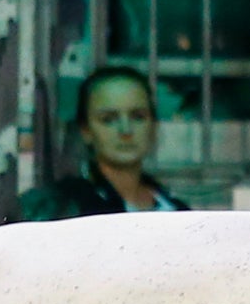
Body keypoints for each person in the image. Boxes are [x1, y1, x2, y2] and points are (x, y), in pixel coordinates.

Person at [18, 65, 187, 221]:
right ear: (86, 130)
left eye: (138, 117)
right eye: (108, 119)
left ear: (153, 125)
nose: (126, 130)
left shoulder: (175, 210)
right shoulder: (60, 208)